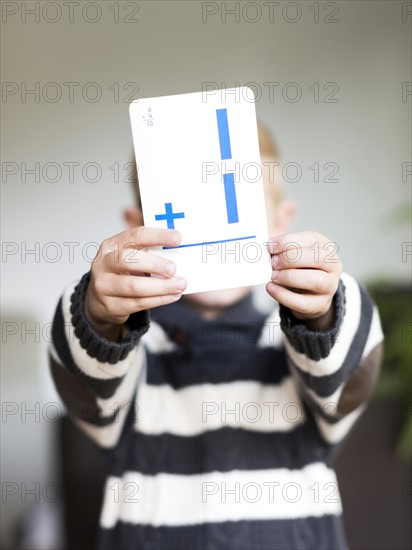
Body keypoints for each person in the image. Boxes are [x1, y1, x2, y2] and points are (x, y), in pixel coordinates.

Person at [49, 123, 383, 549]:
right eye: (185, 212)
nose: (211, 236)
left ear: (280, 225)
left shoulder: (301, 350)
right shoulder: (131, 351)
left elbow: (351, 374)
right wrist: (96, 314)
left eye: (234, 208)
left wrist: (324, 311)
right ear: (138, 231)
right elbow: (80, 386)